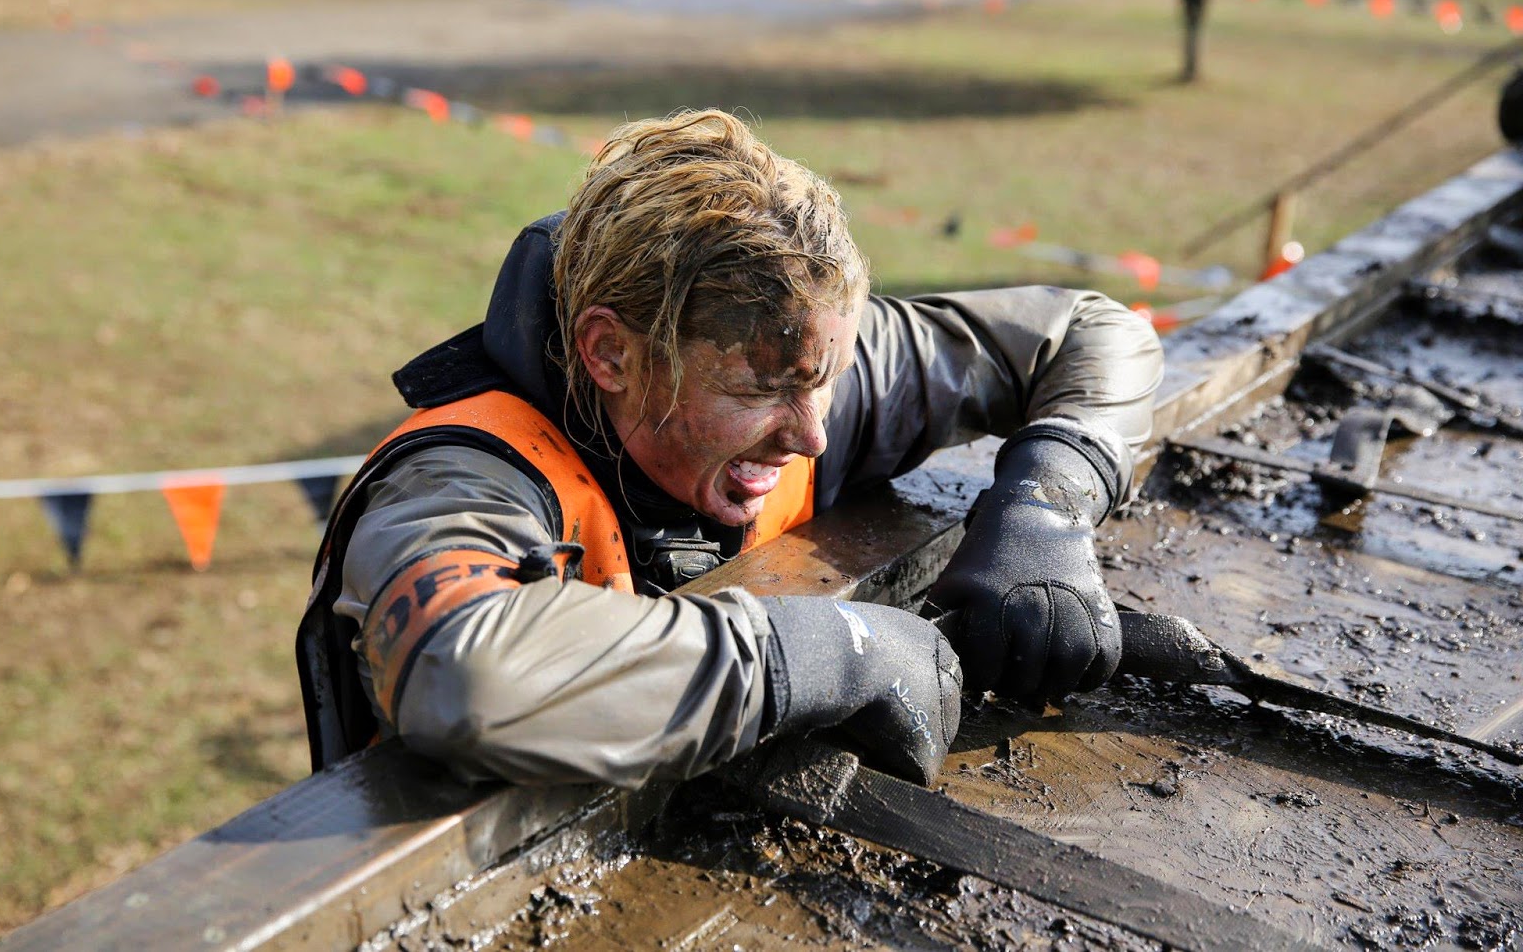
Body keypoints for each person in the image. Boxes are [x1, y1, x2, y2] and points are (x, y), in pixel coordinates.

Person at [297, 109, 1164, 789]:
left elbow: (1092, 332)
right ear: (610, 353)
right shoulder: (458, 478)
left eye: (825, 378)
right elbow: (467, 675)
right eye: (758, 390)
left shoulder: (804, 358)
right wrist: (828, 652)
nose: (812, 433)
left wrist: (1046, 506)